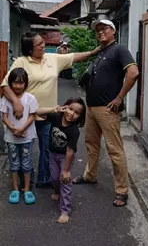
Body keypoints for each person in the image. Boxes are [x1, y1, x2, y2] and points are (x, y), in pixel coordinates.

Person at [1, 32, 100, 188]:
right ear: (29, 49)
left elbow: (74, 57)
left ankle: (44, 179)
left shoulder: (52, 59)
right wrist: (16, 102)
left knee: (47, 149)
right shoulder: (21, 62)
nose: (43, 45)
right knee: (22, 149)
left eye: (43, 42)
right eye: (39, 44)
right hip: (25, 117)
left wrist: (94, 51)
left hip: (48, 116)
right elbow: (5, 84)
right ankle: (22, 182)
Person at [73, 19, 139, 207]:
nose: (100, 32)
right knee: (91, 144)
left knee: (114, 149)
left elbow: (133, 73)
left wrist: (119, 98)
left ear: (114, 31)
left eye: (105, 29)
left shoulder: (119, 50)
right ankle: (90, 175)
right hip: (92, 108)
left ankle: (121, 191)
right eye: (98, 30)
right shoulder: (100, 52)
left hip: (107, 109)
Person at [36, 97, 86, 224]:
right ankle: (57, 191)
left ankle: (65, 210)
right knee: (53, 178)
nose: (71, 113)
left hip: (65, 157)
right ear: (65, 107)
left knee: (64, 180)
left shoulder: (73, 130)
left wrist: (66, 170)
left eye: (76, 112)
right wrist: (54, 109)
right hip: (53, 154)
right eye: (70, 109)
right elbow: (38, 112)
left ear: (80, 116)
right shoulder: (56, 117)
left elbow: (70, 151)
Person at [0, 68, 38, 204]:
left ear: (26, 84)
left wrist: (21, 129)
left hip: (27, 138)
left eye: (21, 83)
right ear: (10, 83)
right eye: (15, 83)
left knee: (27, 164)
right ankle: (15, 189)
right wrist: (13, 129)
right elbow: (4, 117)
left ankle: (27, 189)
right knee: (14, 163)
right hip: (11, 138)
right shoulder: (5, 99)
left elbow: (32, 116)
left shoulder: (30, 98)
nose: (18, 86)